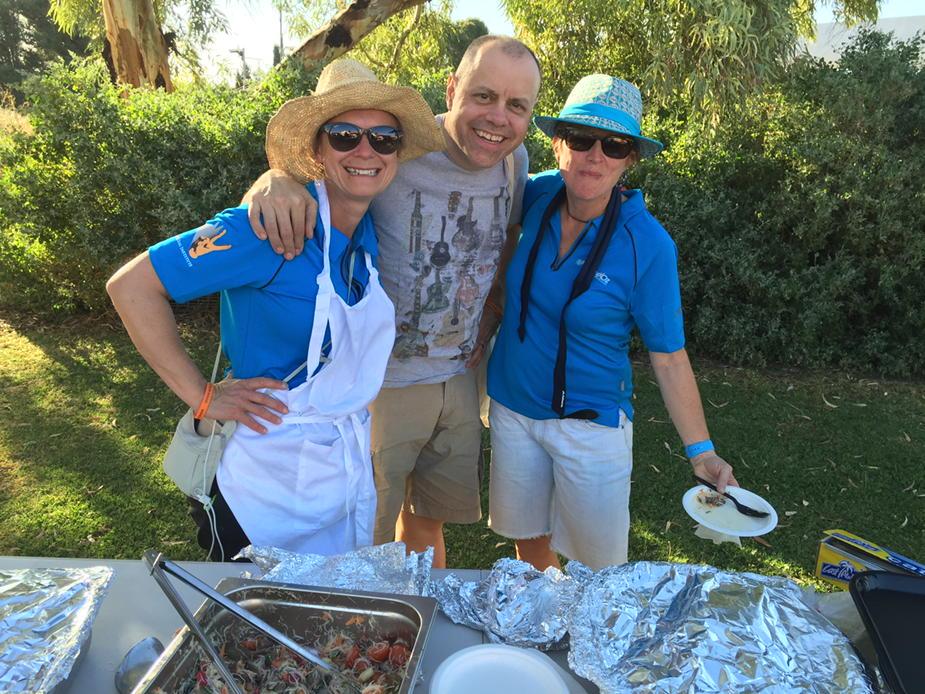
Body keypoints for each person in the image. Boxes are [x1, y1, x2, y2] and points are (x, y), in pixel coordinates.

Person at [106, 59, 444, 559]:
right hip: (257, 489)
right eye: (345, 135)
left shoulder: (365, 234)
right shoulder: (267, 229)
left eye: (384, 139)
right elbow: (132, 287)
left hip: (335, 480)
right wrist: (202, 397)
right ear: (317, 148)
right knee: (253, 628)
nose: (366, 151)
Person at [243, 36, 542, 568]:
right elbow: (327, 168)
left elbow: (508, 237)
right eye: (483, 96)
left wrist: (490, 313)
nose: (497, 118)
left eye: (516, 106)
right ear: (451, 89)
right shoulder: (396, 148)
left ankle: (419, 625)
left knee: (428, 522)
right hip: (380, 383)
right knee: (368, 533)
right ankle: (362, 634)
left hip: (460, 378)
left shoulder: (514, 162)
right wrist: (272, 180)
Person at [486, 74, 738, 572]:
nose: (594, 155)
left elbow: (668, 355)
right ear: (558, 143)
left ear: (630, 159)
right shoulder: (533, 196)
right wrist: (284, 181)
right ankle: (540, 631)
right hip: (513, 411)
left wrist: (702, 451)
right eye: (581, 138)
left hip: (590, 428)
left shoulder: (648, 245)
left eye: (615, 144)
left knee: (596, 571)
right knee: (529, 542)